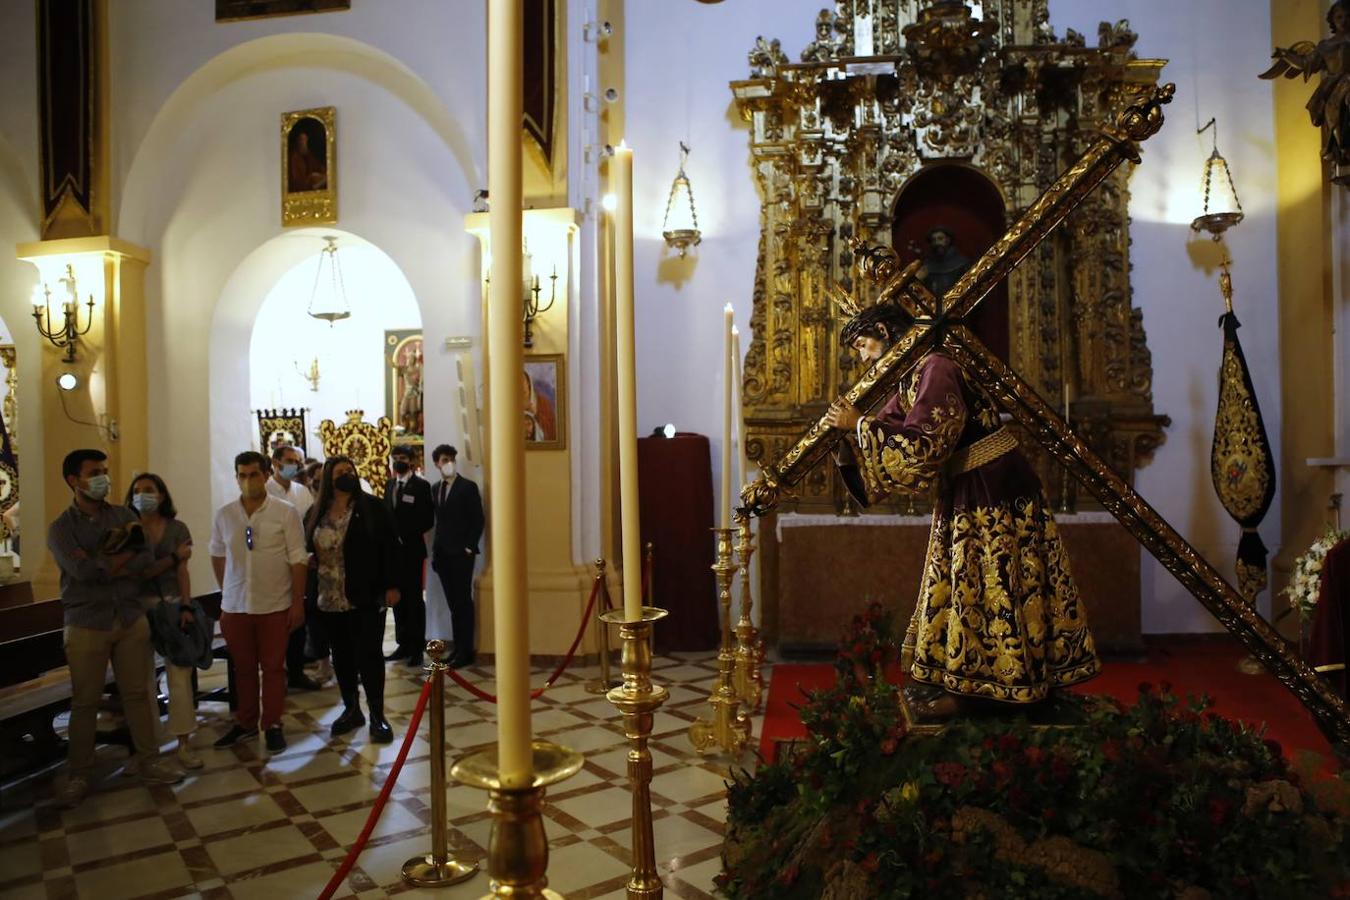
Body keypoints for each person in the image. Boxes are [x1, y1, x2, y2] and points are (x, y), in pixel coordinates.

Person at [822, 293, 1100, 717]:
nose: (863, 358)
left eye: (862, 345)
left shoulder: (936, 366)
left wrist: (858, 423)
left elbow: (924, 447)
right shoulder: (911, 377)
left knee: (997, 584)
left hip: (993, 485)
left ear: (882, 331)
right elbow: (895, 442)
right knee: (971, 587)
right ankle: (973, 687)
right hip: (969, 487)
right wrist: (848, 445)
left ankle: (1007, 689)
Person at [47, 449, 183, 807]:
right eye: (94, 473)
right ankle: (79, 773)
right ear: (74, 480)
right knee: (85, 700)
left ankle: (149, 758)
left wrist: (106, 561)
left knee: (138, 693)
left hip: (129, 616)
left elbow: (142, 560)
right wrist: (116, 561)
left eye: (104, 472)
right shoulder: (62, 528)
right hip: (87, 622)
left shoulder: (124, 515)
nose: (102, 478)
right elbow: (83, 573)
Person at [209, 451, 308, 753]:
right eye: (242, 475)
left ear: (266, 474)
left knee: (274, 668)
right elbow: (217, 554)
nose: (248, 481)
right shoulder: (226, 515)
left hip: (274, 604)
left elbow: (298, 560)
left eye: (254, 474)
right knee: (244, 668)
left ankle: (273, 723)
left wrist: (297, 602)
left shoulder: (285, 512)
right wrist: (228, 590)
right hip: (236, 606)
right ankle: (246, 722)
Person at [306, 456, 401, 743]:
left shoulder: (371, 508)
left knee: (369, 656)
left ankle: (377, 715)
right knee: (342, 657)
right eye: (340, 472)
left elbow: (390, 547)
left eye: (350, 470)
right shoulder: (316, 512)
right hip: (329, 597)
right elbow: (305, 545)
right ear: (328, 479)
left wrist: (392, 585)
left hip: (365, 595)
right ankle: (351, 709)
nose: (347, 475)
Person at [125, 473, 204, 769]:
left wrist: (186, 605)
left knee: (179, 677)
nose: (143, 495)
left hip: (171, 606)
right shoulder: (128, 530)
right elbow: (137, 573)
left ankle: (184, 742)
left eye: (149, 490)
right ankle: (146, 747)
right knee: (141, 681)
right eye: (137, 491)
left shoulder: (177, 528)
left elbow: (182, 571)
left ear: (161, 494)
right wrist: (171, 559)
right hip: (137, 610)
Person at [268, 444, 324, 692]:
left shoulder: (302, 492)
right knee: (276, 621)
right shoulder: (267, 490)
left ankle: (297, 670)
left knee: (299, 617)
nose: (294, 465)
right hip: (275, 563)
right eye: (289, 460)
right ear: (276, 462)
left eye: (297, 461)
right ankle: (275, 671)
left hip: (301, 562)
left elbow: (311, 524)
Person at [429, 444, 484, 667]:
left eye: (451, 458)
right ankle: (457, 648)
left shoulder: (467, 487)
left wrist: (469, 547)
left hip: (461, 554)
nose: (448, 462)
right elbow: (439, 523)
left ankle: (465, 650)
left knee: (463, 602)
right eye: (444, 459)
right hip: (442, 554)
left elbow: (477, 519)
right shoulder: (435, 488)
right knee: (453, 603)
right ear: (436, 463)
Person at [383, 445, 435, 667]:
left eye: (403, 458)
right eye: (395, 458)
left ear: (412, 461)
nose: (398, 462)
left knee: (414, 600)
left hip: (412, 551)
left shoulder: (421, 486)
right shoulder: (390, 484)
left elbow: (427, 519)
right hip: (393, 553)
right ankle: (402, 643)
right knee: (397, 600)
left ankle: (416, 648)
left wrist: (405, 535)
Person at [914, 226, 972, 298]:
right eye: (933, 240)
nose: (937, 243)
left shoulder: (962, 263)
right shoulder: (927, 265)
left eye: (940, 239)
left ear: (948, 240)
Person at [287, 125, 327, 192]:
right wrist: (310, 178)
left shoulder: (309, 155)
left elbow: (320, 168)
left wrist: (320, 175)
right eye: (301, 140)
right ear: (297, 142)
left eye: (305, 140)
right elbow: (296, 181)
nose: (303, 143)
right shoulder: (294, 158)